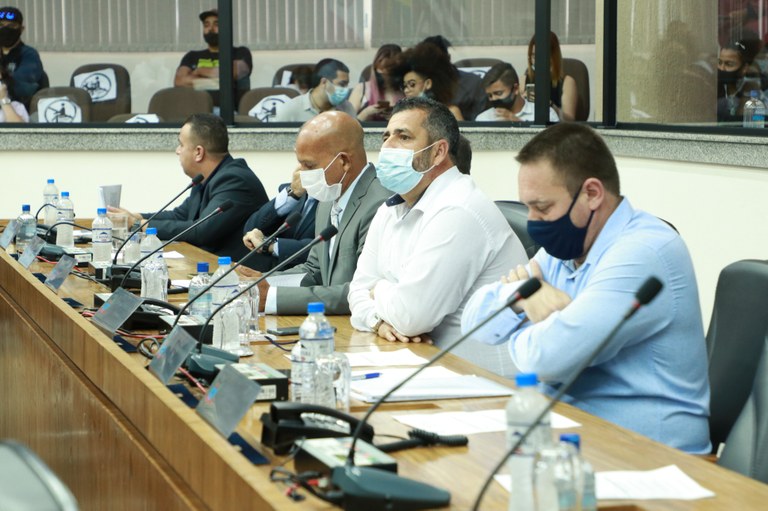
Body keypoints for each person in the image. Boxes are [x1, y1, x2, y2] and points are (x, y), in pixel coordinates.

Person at [461, 123, 710, 454]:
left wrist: (521, 325)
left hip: (653, 456)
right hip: (570, 435)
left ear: (592, 193)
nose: (533, 221)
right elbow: (473, 323)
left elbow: (546, 360)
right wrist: (522, 298)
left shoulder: (643, 252)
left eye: (543, 207)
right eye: (528, 207)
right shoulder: (564, 249)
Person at [348, 97, 528, 377]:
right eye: (386, 136)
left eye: (403, 137)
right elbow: (356, 292)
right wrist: (377, 321)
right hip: (425, 368)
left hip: (485, 385)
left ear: (438, 152)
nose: (388, 146)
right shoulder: (390, 209)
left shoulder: (459, 208)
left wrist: (378, 288)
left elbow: (412, 318)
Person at [239, 111, 390, 315]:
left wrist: (272, 297)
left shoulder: (380, 204)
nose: (300, 173)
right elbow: (313, 271)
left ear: (344, 161)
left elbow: (363, 292)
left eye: (309, 165)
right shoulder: (328, 198)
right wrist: (263, 282)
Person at [109, 114, 268, 260]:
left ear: (198, 152)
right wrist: (134, 217)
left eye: (181, 145)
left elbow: (202, 231)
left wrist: (138, 225)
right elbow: (180, 216)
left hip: (243, 274)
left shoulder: (234, 180)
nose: (177, 151)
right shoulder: (205, 178)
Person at [173, 8, 253, 108]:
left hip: (229, 112)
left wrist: (199, 71)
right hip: (197, 110)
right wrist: (216, 82)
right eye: (206, 25)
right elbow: (179, 81)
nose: (210, 29)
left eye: (216, 24)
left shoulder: (240, 52)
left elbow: (228, 73)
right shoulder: (192, 55)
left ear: (226, 28)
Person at [241, 168, 317, 271]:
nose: (300, 169)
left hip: (315, 277)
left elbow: (327, 248)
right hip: (276, 274)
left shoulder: (334, 197)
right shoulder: (297, 191)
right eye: (300, 163)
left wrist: (271, 245)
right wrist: (293, 194)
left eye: (309, 164)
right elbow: (251, 229)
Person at [422, 35, 487, 121]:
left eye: (437, 62)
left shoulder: (474, 84)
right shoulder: (417, 85)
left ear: (448, 58)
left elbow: (482, 123)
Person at [392, 42, 463, 120]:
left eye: (412, 84)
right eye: (404, 86)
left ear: (428, 84)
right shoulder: (403, 113)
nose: (406, 90)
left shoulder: (451, 112)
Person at [272, 58, 356, 122]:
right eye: (342, 84)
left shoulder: (347, 108)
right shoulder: (289, 110)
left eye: (347, 85)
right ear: (324, 82)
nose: (346, 89)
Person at [522, 31, 578, 122]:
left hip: (555, 128)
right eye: (534, 57)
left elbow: (569, 120)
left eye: (542, 56)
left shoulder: (567, 82)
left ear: (553, 57)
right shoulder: (523, 79)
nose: (538, 61)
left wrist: (550, 104)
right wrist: (521, 101)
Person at [475, 62, 558, 122]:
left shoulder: (545, 114)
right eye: (490, 95)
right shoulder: (483, 119)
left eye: (498, 93)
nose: (493, 99)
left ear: (515, 88)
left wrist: (519, 123)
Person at [0, 6, 44, 110]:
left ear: (21, 29)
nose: (5, 29)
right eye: (1, 25)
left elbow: (24, 87)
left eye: (11, 26)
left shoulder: (29, 55)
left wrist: (4, 76)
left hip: (19, 112)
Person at [349, 43, 403, 122]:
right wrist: (366, 113)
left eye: (388, 72)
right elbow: (347, 123)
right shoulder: (361, 89)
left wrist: (397, 117)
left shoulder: (405, 91)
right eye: (380, 71)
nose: (383, 76)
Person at [717, 40, 765, 123]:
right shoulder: (713, 87)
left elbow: (754, 122)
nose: (722, 68)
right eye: (720, 63)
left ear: (744, 68)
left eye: (729, 64)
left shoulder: (752, 90)